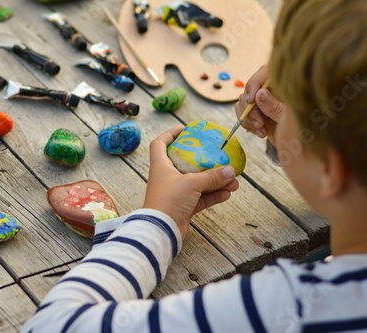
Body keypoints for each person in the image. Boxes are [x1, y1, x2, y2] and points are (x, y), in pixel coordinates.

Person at [21, 0, 367, 331]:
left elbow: (54, 325)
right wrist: (304, 141)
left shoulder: (286, 308)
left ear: (331, 171)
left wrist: (156, 221)